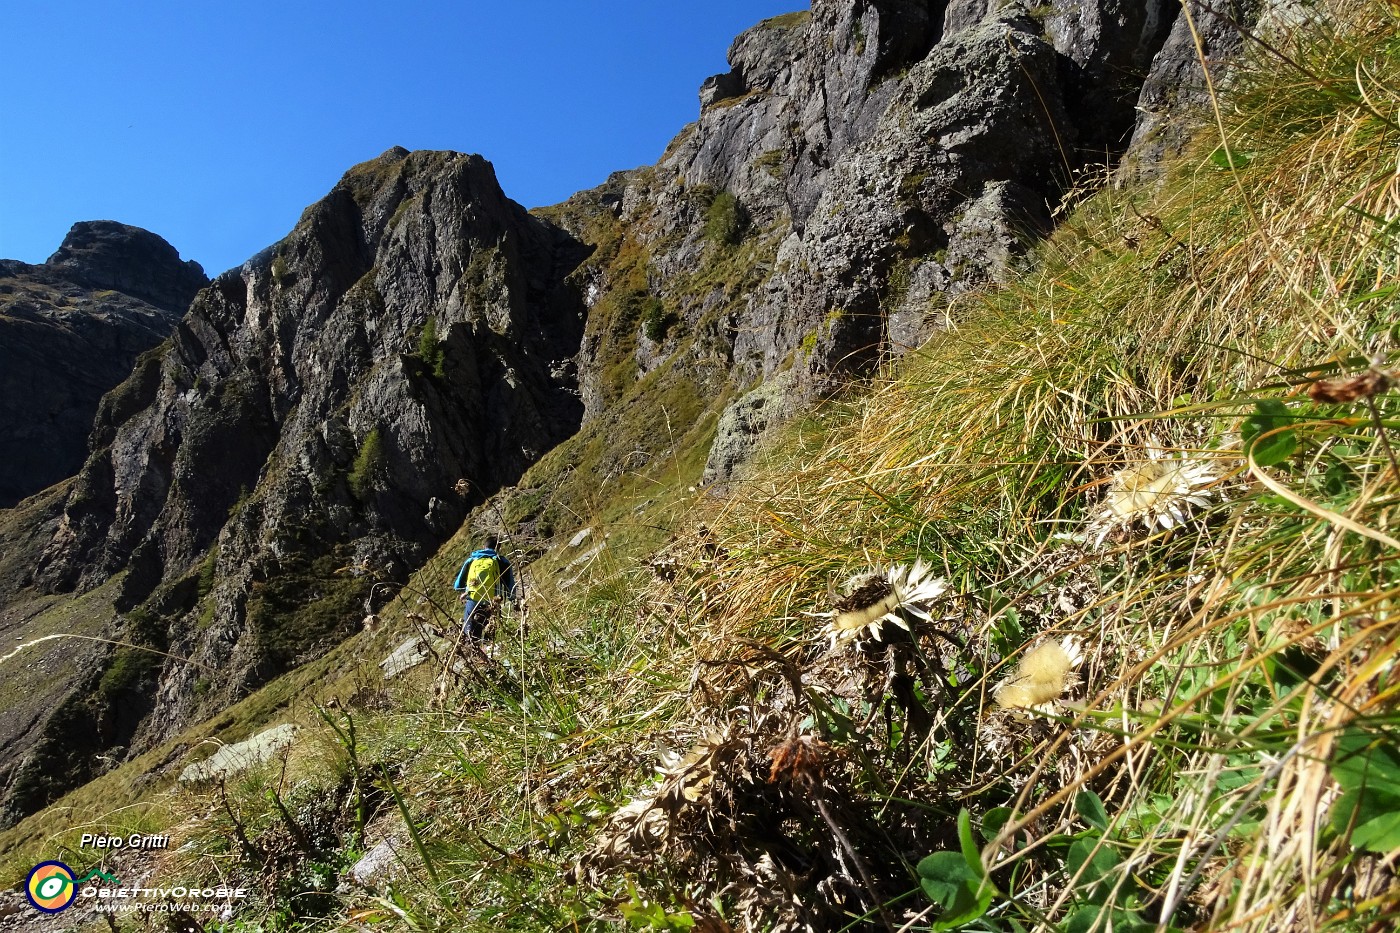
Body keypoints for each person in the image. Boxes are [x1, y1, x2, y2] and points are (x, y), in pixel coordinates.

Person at [453, 534, 517, 642]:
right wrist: (513, 600)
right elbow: (510, 585)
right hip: (492, 603)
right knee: (490, 637)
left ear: (484, 546)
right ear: (498, 548)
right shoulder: (501, 561)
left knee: (471, 637)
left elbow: (457, 586)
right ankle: (488, 655)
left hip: (472, 602)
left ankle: (474, 656)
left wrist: (467, 590)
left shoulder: (472, 560)